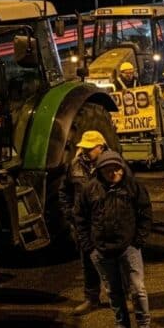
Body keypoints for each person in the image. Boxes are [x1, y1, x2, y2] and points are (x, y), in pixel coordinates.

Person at [75, 150, 154, 328]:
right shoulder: (90, 190)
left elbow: (145, 213)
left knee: (137, 289)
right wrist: (90, 247)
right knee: (113, 290)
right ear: (100, 171)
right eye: (108, 170)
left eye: (117, 169)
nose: (114, 173)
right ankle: (122, 327)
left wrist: (138, 241)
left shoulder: (133, 187)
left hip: (129, 247)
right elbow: (80, 219)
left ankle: (144, 327)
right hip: (101, 250)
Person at [59, 130, 109, 316]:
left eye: (90, 148)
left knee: (114, 261)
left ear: (100, 147)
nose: (86, 151)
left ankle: (121, 297)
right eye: (84, 148)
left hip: (106, 222)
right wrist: (70, 214)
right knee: (88, 261)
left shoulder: (112, 164)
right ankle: (91, 298)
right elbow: (65, 191)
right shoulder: (75, 165)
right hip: (84, 223)